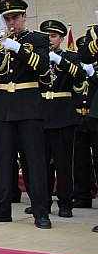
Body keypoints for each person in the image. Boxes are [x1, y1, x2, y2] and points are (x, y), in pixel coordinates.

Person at [0, 0, 51, 229]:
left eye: (15, 18)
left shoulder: (37, 39)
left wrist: (18, 49)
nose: (11, 22)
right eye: (7, 18)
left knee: (34, 161)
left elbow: (42, 67)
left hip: (27, 105)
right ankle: (1, 208)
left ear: (24, 17)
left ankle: (41, 212)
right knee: (2, 161)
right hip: (2, 106)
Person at [36, 20, 84, 218]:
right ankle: (43, 203)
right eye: (46, 36)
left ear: (62, 39)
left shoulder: (70, 57)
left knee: (63, 162)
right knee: (41, 162)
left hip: (63, 114)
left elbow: (80, 76)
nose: (50, 40)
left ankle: (65, 202)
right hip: (41, 114)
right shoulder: (38, 59)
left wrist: (58, 60)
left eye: (54, 36)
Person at [72, 36, 98, 209]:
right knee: (79, 161)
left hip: (94, 117)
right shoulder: (77, 68)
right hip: (79, 118)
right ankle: (82, 195)